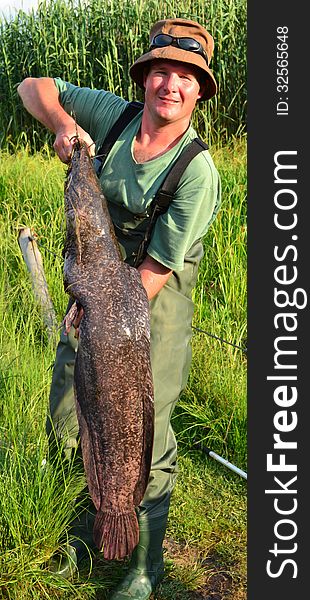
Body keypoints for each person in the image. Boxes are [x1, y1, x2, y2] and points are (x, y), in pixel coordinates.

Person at [18, 17, 221, 600]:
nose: (171, 86)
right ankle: (91, 528)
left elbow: (152, 276)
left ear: (200, 91)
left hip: (152, 295)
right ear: (145, 78)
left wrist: (98, 307)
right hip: (99, 284)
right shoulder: (115, 116)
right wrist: (63, 126)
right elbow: (33, 86)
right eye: (161, 71)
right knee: (68, 411)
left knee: (140, 424)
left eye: (186, 77)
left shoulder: (196, 172)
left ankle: (145, 565)